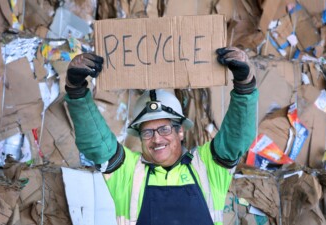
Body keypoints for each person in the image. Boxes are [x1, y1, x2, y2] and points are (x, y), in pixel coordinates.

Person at [64, 47, 258, 225]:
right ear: (139, 136)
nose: (157, 139)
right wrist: (76, 91)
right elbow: (97, 143)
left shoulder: (207, 166)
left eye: (164, 129)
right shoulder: (127, 173)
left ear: (180, 130)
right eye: (147, 132)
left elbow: (237, 136)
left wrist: (245, 86)